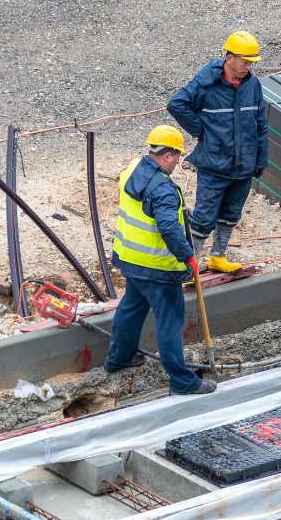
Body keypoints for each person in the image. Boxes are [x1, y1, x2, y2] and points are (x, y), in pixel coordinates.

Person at [105, 126, 215, 395]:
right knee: (170, 322)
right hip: (158, 269)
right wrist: (187, 257)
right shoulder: (163, 189)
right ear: (167, 155)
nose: (178, 162)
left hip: (131, 260)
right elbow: (169, 228)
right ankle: (182, 381)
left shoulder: (133, 168)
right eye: (177, 156)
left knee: (131, 309)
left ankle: (118, 359)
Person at [167, 31, 268, 274]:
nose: (248, 66)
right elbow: (176, 104)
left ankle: (218, 256)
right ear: (229, 57)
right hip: (215, 164)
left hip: (243, 165)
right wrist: (201, 131)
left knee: (231, 214)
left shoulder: (253, 85)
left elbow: (261, 124)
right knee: (203, 218)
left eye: (251, 62)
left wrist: (260, 159)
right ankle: (189, 267)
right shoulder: (206, 84)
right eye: (245, 61)